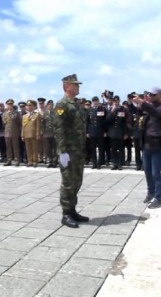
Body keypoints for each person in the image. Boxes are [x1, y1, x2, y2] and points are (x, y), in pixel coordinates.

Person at [54, 74, 89, 228]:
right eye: (75, 85)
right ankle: (66, 214)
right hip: (68, 150)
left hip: (78, 150)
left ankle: (72, 209)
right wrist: (62, 151)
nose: (78, 87)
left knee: (77, 181)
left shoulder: (76, 104)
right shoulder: (62, 105)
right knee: (68, 182)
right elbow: (59, 129)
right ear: (67, 86)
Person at [132, 87, 161, 209]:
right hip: (146, 144)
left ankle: (158, 198)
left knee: (155, 173)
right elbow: (140, 114)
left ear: (159, 95)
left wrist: (143, 103)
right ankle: (151, 192)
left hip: (157, 145)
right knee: (147, 171)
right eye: (150, 95)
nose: (152, 97)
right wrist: (139, 104)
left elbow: (156, 113)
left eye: (154, 95)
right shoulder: (149, 108)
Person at [107, 96, 128, 170]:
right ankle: (114, 164)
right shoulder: (110, 109)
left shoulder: (123, 109)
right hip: (112, 132)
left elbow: (125, 122)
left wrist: (125, 133)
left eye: (117, 101)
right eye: (114, 101)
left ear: (119, 101)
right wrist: (113, 111)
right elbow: (108, 120)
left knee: (121, 149)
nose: (116, 102)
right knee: (113, 149)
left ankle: (120, 164)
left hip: (120, 132)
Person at [86, 96, 106, 169]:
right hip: (92, 132)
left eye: (96, 101)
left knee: (101, 148)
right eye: (93, 101)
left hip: (100, 131)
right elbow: (88, 122)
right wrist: (87, 132)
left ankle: (99, 163)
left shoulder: (102, 109)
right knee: (92, 148)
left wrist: (105, 131)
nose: (95, 102)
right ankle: (94, 163)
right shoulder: (90, 110)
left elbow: (104, 121)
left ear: (98, 101)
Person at [21, 100, 41, 167]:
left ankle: (35, 161)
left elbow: (38, 125)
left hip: (33, 134)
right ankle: (30, 161)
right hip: (26, 134)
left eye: (30, 105)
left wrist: (38, 134)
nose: (28, 107)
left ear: (34, 106)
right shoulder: (24, 116)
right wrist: (22, 135)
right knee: (28, 148)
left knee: (34, 148)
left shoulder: (37, 115)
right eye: (27, 105)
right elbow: (23, 126)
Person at [2, 99, 21, 166]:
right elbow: (4, 123)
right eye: (8, 104)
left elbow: (19, 123)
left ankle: (16, 160)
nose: (10, 105)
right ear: (7, 105)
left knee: (15, 147)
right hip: (7, 132)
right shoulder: (4, 114)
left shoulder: (17, 113)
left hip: (15, 132)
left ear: (13, 105)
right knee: (8, 147)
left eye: (11, 104)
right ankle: (9, 160)